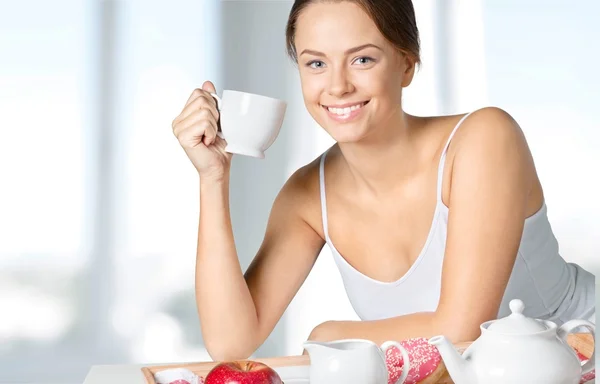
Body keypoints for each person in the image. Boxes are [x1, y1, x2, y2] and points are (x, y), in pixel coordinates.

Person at [171, 0, 595, 361]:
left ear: (406, 64)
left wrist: (328, 335)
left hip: (580, 357)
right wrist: (213, 178)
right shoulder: (306, 196)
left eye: (362, 59)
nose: (337, 86)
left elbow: (462, 330)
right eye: (316, 63)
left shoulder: (484, 140)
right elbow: (230, 342)